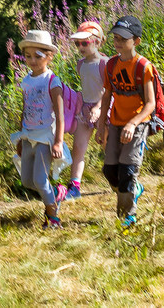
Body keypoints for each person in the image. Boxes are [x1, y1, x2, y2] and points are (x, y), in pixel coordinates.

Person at [94, 14, 155, 228]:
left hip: (137, 125)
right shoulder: (111, 65)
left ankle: (127, 217)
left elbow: (150, 104)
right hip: (116, 123)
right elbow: (107, 96)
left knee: (127, 171)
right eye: (116, 38)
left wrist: (133, 123)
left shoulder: (143, 67)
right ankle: (133, 191)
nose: (118, 42)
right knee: (110, 172)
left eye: (123, 39)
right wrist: (102, 126)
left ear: (136, 41)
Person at [10, 30, 67, 229]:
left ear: (49, 57)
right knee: (27, 180)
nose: (32, 60)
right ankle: (56, 193)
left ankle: (53, 218)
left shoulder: (52, 81)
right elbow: (25, 109)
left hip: (44, 137)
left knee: (40, 180)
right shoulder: (26, 81)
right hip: (28, 136)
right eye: (28, 56)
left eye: (38, 56)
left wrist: (58, 141)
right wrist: (20, 137)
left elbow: (60, 115)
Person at [64, 19, 106, 199]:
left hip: (103, 108)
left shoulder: (105, 63)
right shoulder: (81, 64)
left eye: (85, 42)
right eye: (77, 43)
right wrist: (83, 108)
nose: (80, 47)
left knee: (107, 145)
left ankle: (121, 178)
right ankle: (75, 185)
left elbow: (109, 90)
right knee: (78, 148)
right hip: (85, 109)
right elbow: (85, 87)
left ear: (97, 42)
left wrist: (98, 108)